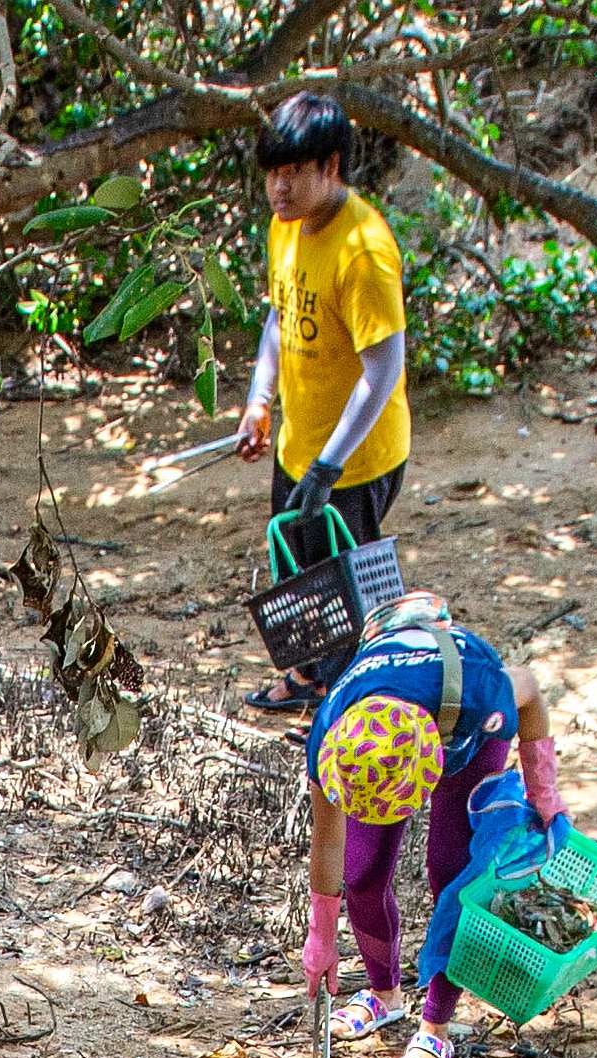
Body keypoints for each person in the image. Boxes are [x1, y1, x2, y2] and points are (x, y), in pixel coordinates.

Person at [305, 595, 568, 1058]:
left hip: (462, 727)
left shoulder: (481, 695)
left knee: (452, 873)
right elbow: (328, 842)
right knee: (363, 870)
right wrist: (321, 934)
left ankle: (435, 1027)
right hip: (386, 734)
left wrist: (544, 792)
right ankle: (384, 995)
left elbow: (530, 689)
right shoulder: (331, 731)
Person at [234, 93, 411, 717]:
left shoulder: (363, 252)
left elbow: (383, 370)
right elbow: (280, 317)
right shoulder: (285, 226)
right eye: (271, 174)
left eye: (292, 173)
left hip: (356, 457)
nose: (278, 189)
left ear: (330, 166)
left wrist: (329, 466)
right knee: (298, 570)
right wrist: (259, 401)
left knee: (346, 587)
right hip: (299, 442)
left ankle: (352, 708)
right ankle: (311, 677)